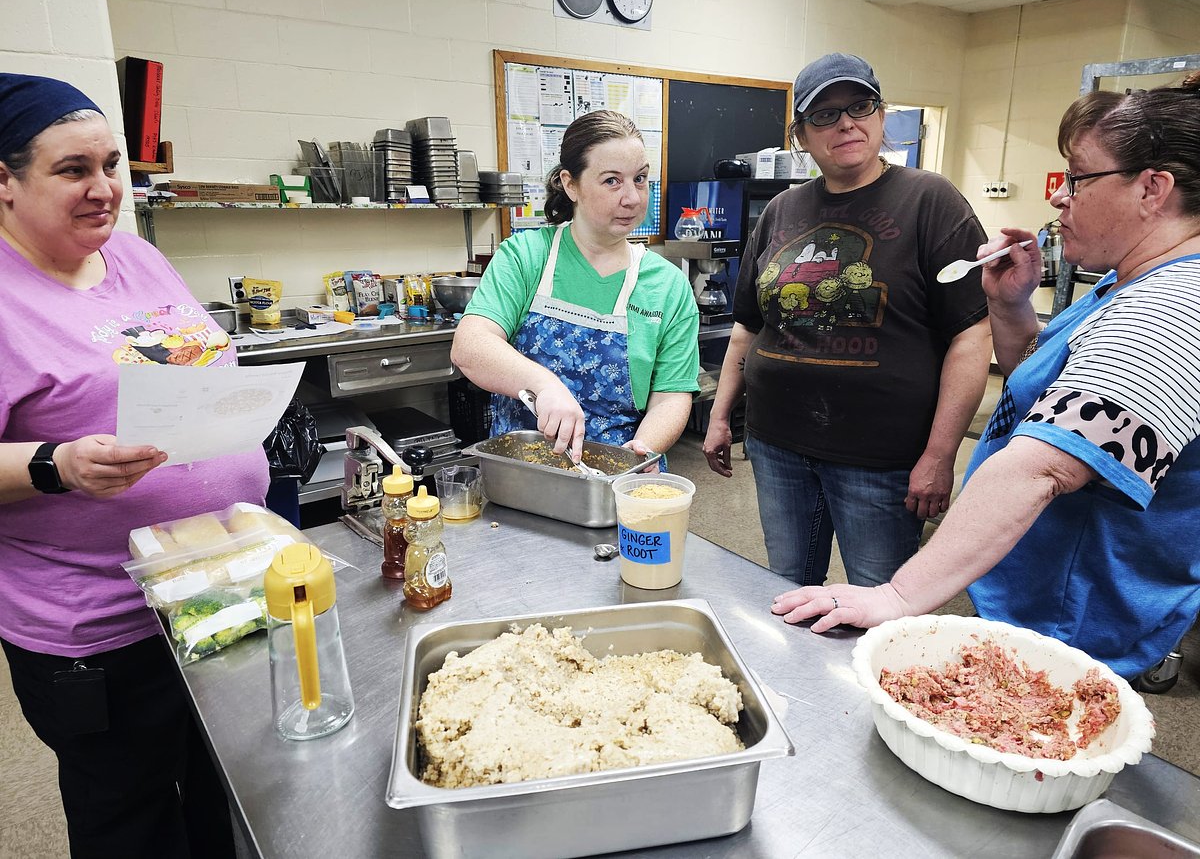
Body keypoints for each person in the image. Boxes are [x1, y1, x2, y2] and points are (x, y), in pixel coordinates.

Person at [772, 74, 1200, 681]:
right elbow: (1043, 397)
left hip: (1067, 630)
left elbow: (1046, 463)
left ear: (1153, 189)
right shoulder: (1121, 283)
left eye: (1077, 178)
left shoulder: (1171, 307)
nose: (1061, 197)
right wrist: (1010, 307)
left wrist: (898, 596)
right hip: (1031, 603)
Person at [0, 73, 268, 858]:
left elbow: (193, 367)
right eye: (73, 169)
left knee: (227, 787)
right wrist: (59, 464)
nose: (104, 189)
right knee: (132, 817)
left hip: (217, 586)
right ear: (5, 182)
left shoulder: (138, 258)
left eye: (112, 164)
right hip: (98, 627)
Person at [702, 53, 993, 587]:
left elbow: (972, 333)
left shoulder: (931, 201)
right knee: (786, 588)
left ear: (881, 116)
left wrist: (940, 453)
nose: (845, 124)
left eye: (860, 106)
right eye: (825, 115)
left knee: (881, 602)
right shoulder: (781, 210)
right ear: (801, 137)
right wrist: (722, 415)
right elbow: (748, 326)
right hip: (776, 443)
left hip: (880, 457)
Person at [451, 110, 700, 461]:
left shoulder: (668, 285)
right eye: (612, 181)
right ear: (571, 184)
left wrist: (642, 452)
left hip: (613, 474)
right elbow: (470, 347)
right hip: (519, 471)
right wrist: (544, 385)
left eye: (640, 179)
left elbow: (671, 395)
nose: (632, 197)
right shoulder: (527, 256)